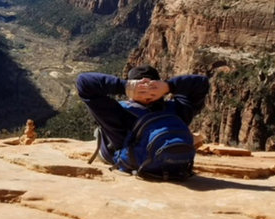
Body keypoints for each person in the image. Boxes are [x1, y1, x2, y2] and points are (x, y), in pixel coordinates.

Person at [76, 64, 209, 164]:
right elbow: (202, 83)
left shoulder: (120, 114)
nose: (145, 92)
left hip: (131, 162)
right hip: (175, 163)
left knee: (101, 132)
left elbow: (83, 82)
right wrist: (168, 86)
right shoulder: (177, 110)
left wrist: (124, 86)